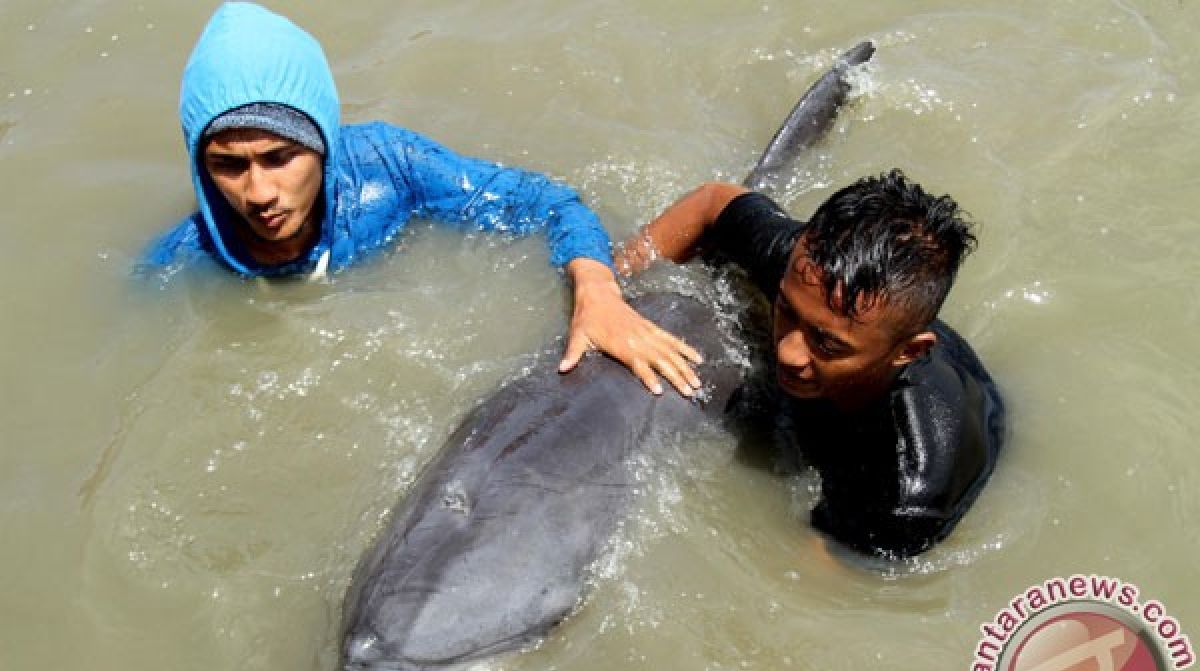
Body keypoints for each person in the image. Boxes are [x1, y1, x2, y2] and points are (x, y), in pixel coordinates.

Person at [145, 2, 700, 396]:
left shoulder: (395, 169)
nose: (259, 193)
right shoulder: (186, 260)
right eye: (228, 165)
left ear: (324, 143)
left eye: (280, 158)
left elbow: (550, 204)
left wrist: (598, 293)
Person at [617, 171, 1005, 559]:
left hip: (909, 422)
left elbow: (821, 577)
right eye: (787, 310)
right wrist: (611, 295)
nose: (789, 352)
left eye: (826, 342)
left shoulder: (909, 491)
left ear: (909, 352)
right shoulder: (812, 279)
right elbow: (711, 202)